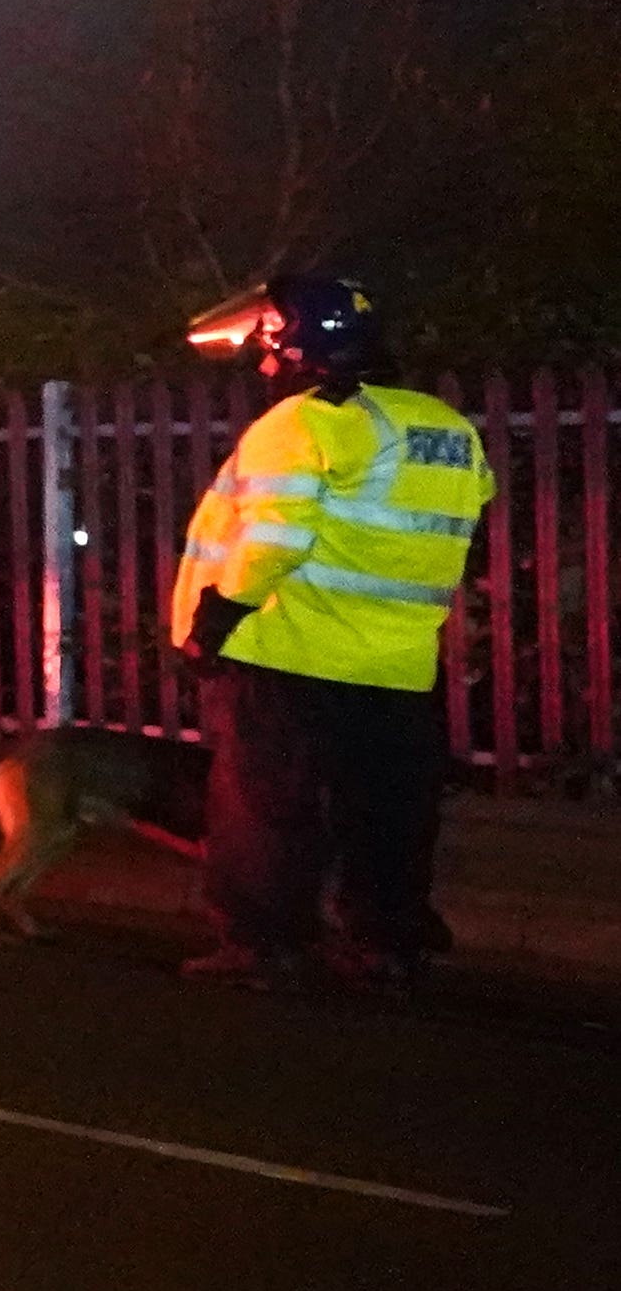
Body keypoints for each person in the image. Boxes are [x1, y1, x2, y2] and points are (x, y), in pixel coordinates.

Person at [166, 271, 496, 992]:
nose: (261, 364)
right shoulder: (446, 428)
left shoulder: (303, 423)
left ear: (296, 348)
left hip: (289, 649)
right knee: (389, 814)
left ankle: (265, 944)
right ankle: (389, 943)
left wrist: (214, 620)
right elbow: (461, 536)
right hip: (397, 664)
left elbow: (275, 537)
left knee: (263, 809)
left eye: (268, 348)